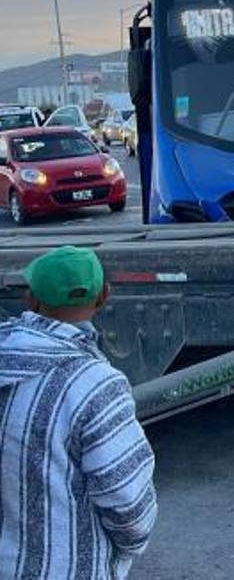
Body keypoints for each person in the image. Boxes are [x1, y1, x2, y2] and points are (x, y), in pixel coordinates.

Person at [0, 246, 157, 579]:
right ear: (104, 297)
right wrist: (128, 548)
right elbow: (125, 500)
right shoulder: (96, 385)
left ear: (31, 299)